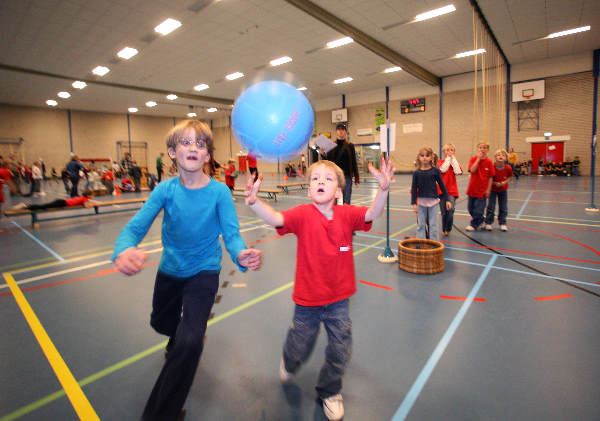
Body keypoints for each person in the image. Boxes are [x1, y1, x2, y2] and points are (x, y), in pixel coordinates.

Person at [112, 120, 262, 421]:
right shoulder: (165, 191)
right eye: (185, 142)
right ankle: (176, 336)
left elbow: (231, 234)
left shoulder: (219, 193)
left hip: (203, 273)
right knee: (162, 323)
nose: (193, 148)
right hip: (170, 271)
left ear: (208, 156)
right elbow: (135, 227)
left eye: (201, 144)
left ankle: (160, 413)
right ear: (172, 152)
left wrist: (240, 254)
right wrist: (124, 249)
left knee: (190, 342)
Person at [244, 157, 395, 421]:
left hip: (338, 301)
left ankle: (329, 390)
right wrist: (255, 202)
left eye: (328, 178)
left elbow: (373, 214)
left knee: (340, 349)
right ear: (309, 188)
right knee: (299, 346)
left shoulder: (347, 215)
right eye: (315, 178)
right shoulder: (302, 214)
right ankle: (289, 362)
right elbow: (277, 218)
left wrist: (383, 190)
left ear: (338, 191)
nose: (320, 181)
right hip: (307, 301)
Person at [411, 147, 451, 241]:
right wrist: (414, 203)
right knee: (421, 225)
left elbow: (442, 186)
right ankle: (421, 242)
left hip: (433, 203)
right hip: (421, 203)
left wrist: (447, 200)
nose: (424, 158)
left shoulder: (435, 171)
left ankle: (434, 244)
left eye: (427, 155)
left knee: (433, 225)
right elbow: (414, 188)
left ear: (431, 157)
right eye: (422, 155)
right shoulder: (416, 173)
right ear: (419, 157)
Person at [324, 123, 359, 205]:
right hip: (334, 176)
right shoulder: (331, 145)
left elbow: (354, 161)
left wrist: (356, 176)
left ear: (345, 132)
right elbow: (327, 161)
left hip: (347, 176)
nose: (341, 131)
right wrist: (322, 154)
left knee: (347, 200)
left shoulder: (350, 146)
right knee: (333, 201)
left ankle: (346, 216)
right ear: (336, 131)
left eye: (342, 129)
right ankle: (335, 217)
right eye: (339, 129)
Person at [466, 141, 495, 231]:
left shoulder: (489, 162)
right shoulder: (473, 159)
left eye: (484, 148)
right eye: (480, 147)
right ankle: (481, 221)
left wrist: (488, 190)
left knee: (479, 210)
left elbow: (491, 177)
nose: (482, 149)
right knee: (470, 208)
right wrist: (478, 159)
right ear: (477, 149)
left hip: (482, 191)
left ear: (488, 150)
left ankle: (474, 225)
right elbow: (472, 170)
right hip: (472, 189)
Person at [484, 149, 513, 231]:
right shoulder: (491, 167)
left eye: (503, 155)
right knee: (491, 206)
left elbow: (510, 177)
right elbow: (488, 178)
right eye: (498, 155)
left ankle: (502, 223)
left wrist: (504, 182)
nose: (501, 156)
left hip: (503, 190)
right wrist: (494, 183)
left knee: (503, 207)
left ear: (506, 158)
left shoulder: (508, 168)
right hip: (492, 190)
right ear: (495, 157)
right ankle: (488, 222)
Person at [437, 144, 462, 236]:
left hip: (452, 192)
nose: (450, 152)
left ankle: (448, 228)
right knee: (444, 212)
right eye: (447, 150)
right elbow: (443, 169)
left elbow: (458, 172)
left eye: (451, 150)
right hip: (441, 192)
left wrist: (453, 160)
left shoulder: (454, 163)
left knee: (450, 210)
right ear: (444, 153)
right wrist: (448, 159)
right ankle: (444, 229)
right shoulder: (440, 162)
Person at [11, 191, 98, 211]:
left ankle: (27, 206)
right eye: (92, 195)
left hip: (62, 201)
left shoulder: (84, 198)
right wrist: (94, 204)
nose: (93, 196)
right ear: (89, 195)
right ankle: (25, 206)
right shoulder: (85, 199)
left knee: (44, 206)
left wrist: (92, 203)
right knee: (43, 207)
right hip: (62, 202)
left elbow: (86, 204)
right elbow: (87, 206)